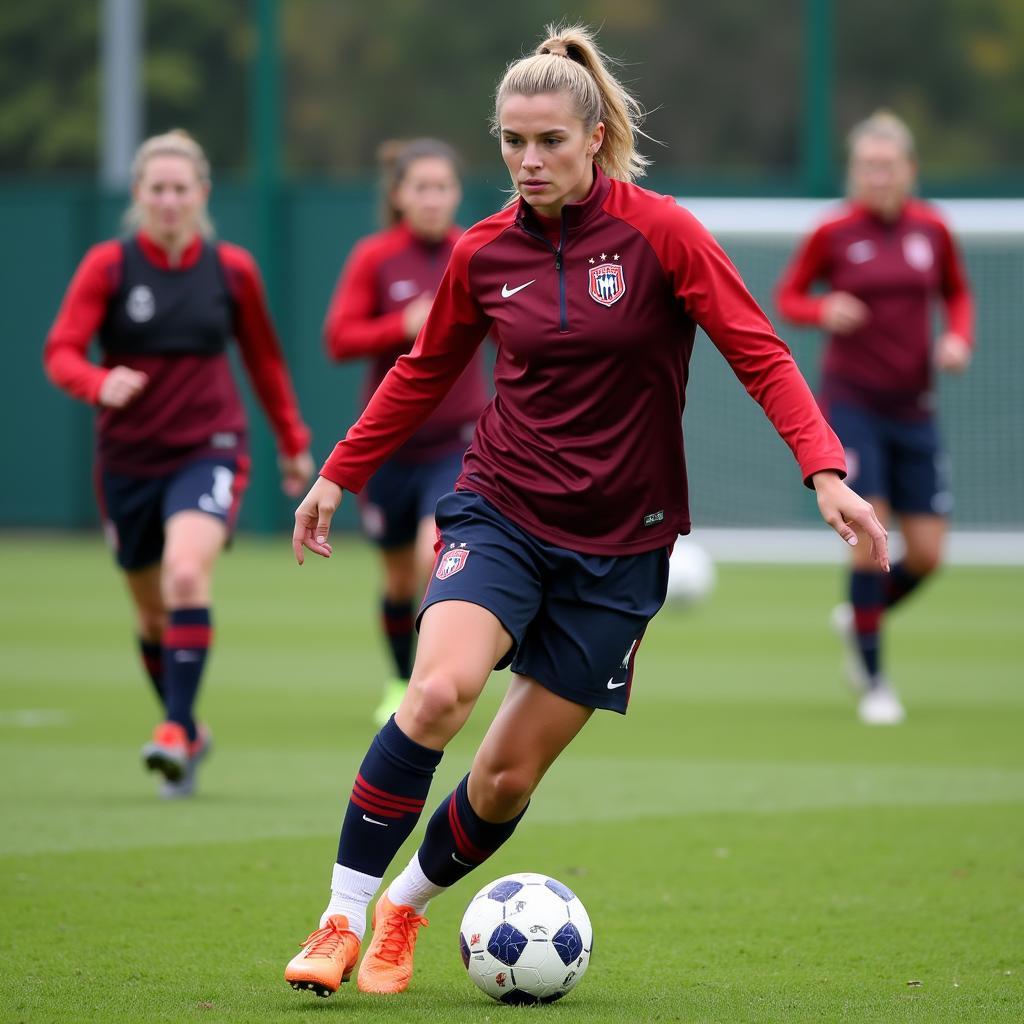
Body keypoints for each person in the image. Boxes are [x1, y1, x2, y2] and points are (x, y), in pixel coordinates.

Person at [284, 24, 888, 999]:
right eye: (512, 142)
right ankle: (341, 916)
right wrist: (336, 473)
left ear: (594, 135)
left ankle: (405, 907)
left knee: (505, 780)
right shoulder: (483, 252)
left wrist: (822, 469)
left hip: (621, 548)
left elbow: (759, 352)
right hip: (500, 509)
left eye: (548, 142)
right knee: (436, 694)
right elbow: (419, 370)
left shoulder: (663, 234)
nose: (527, 160)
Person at [43, 129, 314, 797]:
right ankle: (190, 729)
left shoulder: (233, 271)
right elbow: (61, 351)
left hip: (209, 446)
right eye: (156, 189)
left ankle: (171, 730)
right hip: (128, 461)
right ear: (138, 195)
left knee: (186, 573)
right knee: (151, 616)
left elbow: (264, 360)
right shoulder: (108, 267)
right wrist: (96, 382)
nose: (168, 200)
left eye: (180, 188)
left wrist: (292, 439)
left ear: (202, 194)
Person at [776, 110, 973, 726]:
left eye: (888, 167)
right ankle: (875, 681)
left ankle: (863, 613)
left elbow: (957, 294)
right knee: (870, 537)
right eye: (866, 167)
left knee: (931, 553)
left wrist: (957, 339)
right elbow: (788, 297)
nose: (877, 177)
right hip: (852, 406)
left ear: (910, 170)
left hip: (915, 409)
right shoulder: (833, 232)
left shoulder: (933, 230)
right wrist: (822, 307)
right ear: (853, 172)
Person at [323, 139, 488, 726]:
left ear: (457, 193)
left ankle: (431, 679)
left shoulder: (476, 248)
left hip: (458, 444)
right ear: (398, 195)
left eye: (442, 187)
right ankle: (399, 679)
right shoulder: (375, 258)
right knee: (396, 578)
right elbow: (339, 338)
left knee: (431, 553)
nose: (432, 198)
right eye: (420, 187)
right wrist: (402, 323)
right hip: (390, 449)